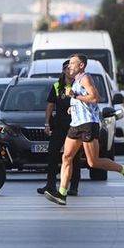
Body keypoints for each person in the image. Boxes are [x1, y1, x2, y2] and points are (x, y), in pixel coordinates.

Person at [47, 54, 124, 205]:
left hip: (88, 124)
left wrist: (74, 96)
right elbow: (82, 100)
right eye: (68, 65)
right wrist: (73, 107)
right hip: (76, 124)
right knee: (66, 157)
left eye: (72, 64)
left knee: (93, 162)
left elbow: (95, 98)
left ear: (81, 66)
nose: (69, 67)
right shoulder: (74, 82)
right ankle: (62, 194)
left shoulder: (85, 78)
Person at [38, 60, 82, 197]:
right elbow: (50, 105)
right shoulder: (57, 86)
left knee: (74, 157)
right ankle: (50, 184)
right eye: (67, 69)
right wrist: (47, 123)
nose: (69, 71)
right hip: (59, 126)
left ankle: (73, 186)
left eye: (72, 68)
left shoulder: (79, 85)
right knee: (52, 154)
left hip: (75, 125)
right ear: (63, 70)